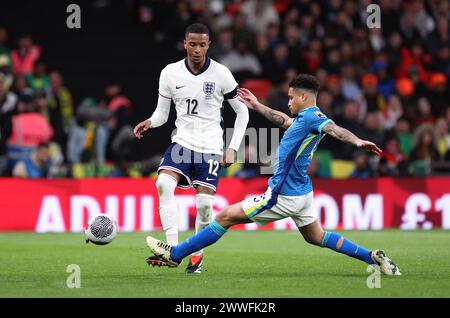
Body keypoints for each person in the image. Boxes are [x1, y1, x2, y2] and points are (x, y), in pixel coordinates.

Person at [145, 74, 401, 276]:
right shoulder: (303, 119)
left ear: (303, 96)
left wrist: (357, 141)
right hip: (303, 192)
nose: (288, 102)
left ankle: (176, 254)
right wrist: (257, 105)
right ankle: (372, 257)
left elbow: (335, 129)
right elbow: (281, 119)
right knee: (316, 236)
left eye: (291, 98)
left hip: (283, 194)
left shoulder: (316, 118)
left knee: (224, 216)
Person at [133, 23, 249, 274]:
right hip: (182, 142)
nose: (197, 49)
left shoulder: (222, 74)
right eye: (192, 44)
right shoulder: (170, 73)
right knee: (163, 184)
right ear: (185, 43)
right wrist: (150, 122)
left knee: (205, 206)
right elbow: (162, 114)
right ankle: (173, 250)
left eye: (202, 45)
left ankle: (196, 257)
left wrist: (232, 148)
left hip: (210, 147)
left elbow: (242, 112)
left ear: (209, 46)